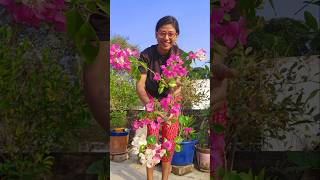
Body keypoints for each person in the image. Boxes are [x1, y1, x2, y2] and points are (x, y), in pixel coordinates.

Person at [136, 15, 183, 180]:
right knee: (151, 143)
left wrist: (168, 107)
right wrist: (152, 107)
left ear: (176, 35)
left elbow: (177, 86)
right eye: (163, 33)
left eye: (171, 34)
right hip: (151, 101)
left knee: (168, 144)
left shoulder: (179, 56)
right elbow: (140, 86)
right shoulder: (146, 55)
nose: (166, 38)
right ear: (156, 34)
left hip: (171, 103)